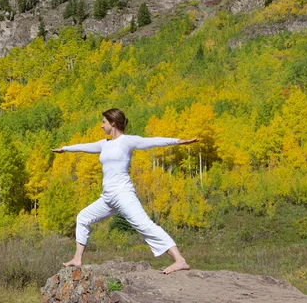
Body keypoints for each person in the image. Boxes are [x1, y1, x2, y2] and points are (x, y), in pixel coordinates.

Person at [51, 108, 199, 274]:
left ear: (113, 123)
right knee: (84, 217)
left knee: (145, 225)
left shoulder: (127, 141)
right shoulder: (104, 144)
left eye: (104, 122)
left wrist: (178, 141)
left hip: (123, 194)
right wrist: (64, 148)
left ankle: (180, 260)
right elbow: (84, 147)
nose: (101, 126)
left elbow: (152, 141)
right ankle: (77, 258)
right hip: (108, 197)